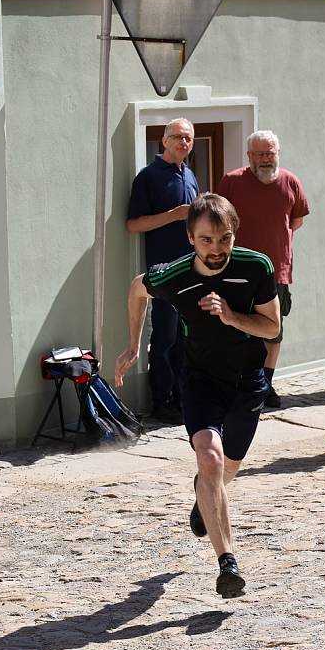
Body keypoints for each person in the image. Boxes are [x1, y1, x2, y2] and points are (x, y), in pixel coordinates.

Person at [115, 193, 280, 598]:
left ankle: (205, 496)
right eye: (206, 240)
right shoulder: (174, 275)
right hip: (200, 380)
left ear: (233, 234)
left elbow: (272, 328)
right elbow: (137, 289)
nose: (217, 248)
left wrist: (229, 315)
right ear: (191, 238)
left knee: (226, 470)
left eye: (224, 238)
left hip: (247, 382)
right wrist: (134, 344)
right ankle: (228, 563)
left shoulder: (255, 266)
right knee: (210, 458)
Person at [218, 130, 309, 408]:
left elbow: (296, 222)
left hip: (276, 272)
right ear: (249, 156)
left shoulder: (290, 181)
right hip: (237, 271)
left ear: (277, 153)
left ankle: (265, 385)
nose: (266, 159)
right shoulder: (232, 182)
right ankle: (237, 383)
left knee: (273, 332)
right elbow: (218, 222)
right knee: (236, 329)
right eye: (260, 154)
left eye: (270, 153)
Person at [127, 117, 199, 425]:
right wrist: (173, 216)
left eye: (189, 138)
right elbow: (133, 225)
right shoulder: (149, 177)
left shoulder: (190, 174)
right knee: (166, 336)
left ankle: (183, 397)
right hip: (164, 272)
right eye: (178, 137)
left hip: (192, 270)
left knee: (186, 337)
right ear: (164, 140)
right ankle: (162, 400)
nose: (183, 142)